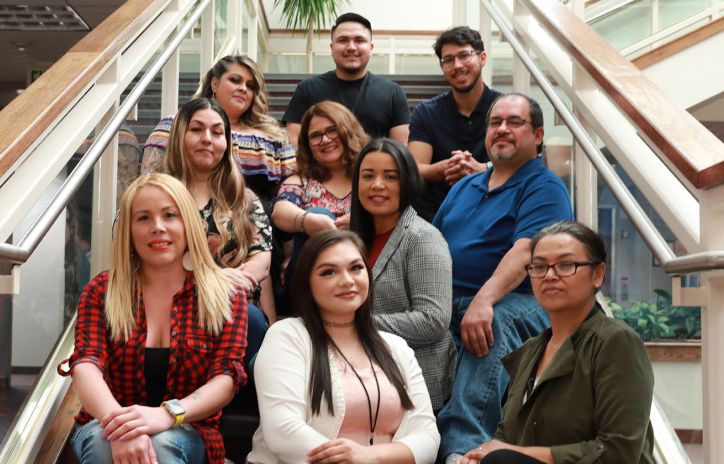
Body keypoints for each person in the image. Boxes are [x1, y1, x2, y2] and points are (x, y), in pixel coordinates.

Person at [59, 173, 248, 464]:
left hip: (187, 428)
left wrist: (166, 414)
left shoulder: (225, 295)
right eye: (144, 218)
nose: (158, 227)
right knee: (102, 442)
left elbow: (226, 378)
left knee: (162, 445)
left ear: (187, 225)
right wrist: (122, 428)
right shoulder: (101, 291)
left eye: (170, 215)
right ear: (129, 231)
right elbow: (86, 365)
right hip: (106, 423)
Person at [433, 93, 574, 463]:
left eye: (515, 122)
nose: (502, 130)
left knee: (494, 319)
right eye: (495, 122)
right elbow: (430, 245)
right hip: (451, 300)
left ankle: (462, 450)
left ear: (538, 135)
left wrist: (483, 300)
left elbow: (527, 252)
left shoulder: (544, 186)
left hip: (523, 303)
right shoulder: (464, 187)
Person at [460, 221, 655, 464]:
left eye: (566, 265)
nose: (550, 275)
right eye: (539, 266)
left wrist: (514, 454)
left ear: (598, 274)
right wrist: (478, 455)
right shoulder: (531, 350)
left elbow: (618, 452)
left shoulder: (616, 341)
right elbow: (505, 438)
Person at [247, 230, 439, 464]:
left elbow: (428, 435)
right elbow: (283, 430)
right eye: (329, 272)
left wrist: (368, 457)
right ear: (307, 283)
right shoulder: (287, 336)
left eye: (356, 268)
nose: (347, 280)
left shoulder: (396, 347)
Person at [142, 55, 293, 318]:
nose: (243, 88)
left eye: (250, 85)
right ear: (214, 82)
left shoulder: (247, 192)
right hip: (172, 295)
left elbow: (261, 258)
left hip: (240, 262)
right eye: (235, 80)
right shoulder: (156, 195)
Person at [350, 138, 455, 412]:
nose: (377, 185)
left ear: (407, 182)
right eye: (368, 176)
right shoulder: (353, 240)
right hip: (363, 373)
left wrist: (356, 325)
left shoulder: (423, 238)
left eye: (390, 177)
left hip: (414, 383)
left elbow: (433, 321)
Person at [163, 97, 273, 327]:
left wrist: (228, 285)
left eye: (217, 132)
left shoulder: (243, 199)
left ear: (227, 142)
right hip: (170, 304)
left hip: (233, 308)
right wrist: (216, 279)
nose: (207, 139)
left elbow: (261, 258)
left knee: (250, 319)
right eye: (196, 129)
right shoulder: (156, 195)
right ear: (179, 136)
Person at [408, 26, 502, 221]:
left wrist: (484, 169)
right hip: (438, 211)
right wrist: (446, 167)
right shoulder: (426, 112)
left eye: (464, 56)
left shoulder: (505, 108)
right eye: (448, 60)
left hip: (494, 204)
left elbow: (525, 160)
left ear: (482, 58)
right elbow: (415, 167)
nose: (457, 65)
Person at [272, 101, 369, 288]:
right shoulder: (301, 179)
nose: (325, 140)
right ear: (307, 146)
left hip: (363, 270)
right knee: (319, 213)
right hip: (311, 279)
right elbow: (279, 211)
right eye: (315, 136)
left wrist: (360, 221)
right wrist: (308, 222)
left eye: (332, 130)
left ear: (348, 131)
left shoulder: (369, 175)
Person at [282, 13, 410, 146]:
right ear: (331, 48)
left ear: (371, 48)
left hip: (371, 166)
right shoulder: (307, 88)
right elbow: (294, 142)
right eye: (343, 40)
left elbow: (400, 148)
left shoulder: (392, 92)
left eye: (359, 40)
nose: (351, 47)